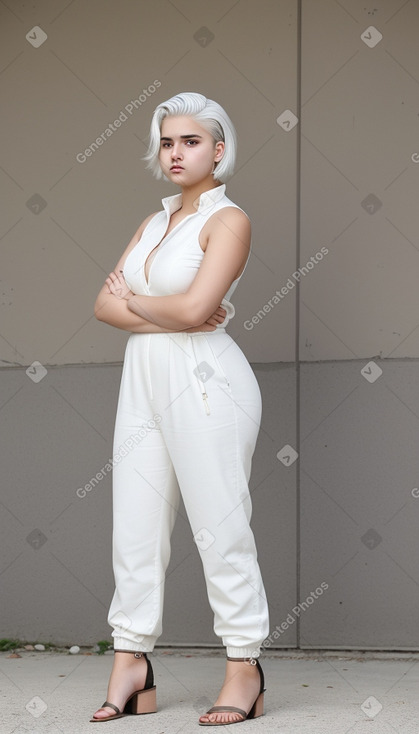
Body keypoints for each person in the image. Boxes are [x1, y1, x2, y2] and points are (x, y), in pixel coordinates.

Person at [90, 92, 269, 726]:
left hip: (206, 382)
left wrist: (141, 304)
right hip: (143, 381)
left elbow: (197, 313)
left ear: (219, 151)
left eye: (191, 142)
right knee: (134, 526)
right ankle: (131, 660)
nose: (176, 152)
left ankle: (244, 666)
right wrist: (166, 309)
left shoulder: (229, 220)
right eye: (168, 142)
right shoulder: (152, 222)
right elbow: (102, 307)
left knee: (220, 528)